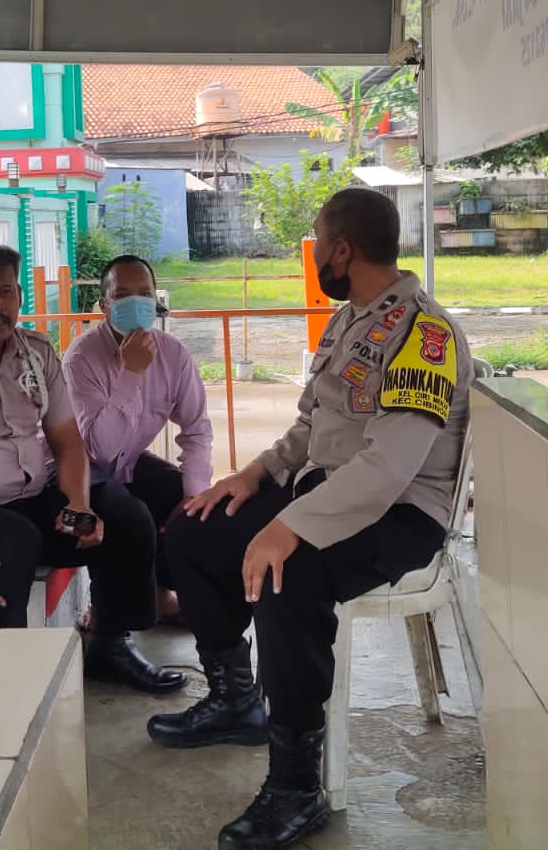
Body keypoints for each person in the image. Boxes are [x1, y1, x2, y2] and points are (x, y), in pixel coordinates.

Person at [147, 188, 472, 850]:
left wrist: (288, 527)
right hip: (325, 489)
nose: (316, 250)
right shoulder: (350, 319)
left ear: (342, 250)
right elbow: (311, 426)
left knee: (286, 576)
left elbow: (387, 469)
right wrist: (253, 475)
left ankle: (296, 787)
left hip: (403, 512)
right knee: (194, 529)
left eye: (319, 239)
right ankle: (235, 698)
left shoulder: (424, 336)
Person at [0, 242, 184, 694]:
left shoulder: (37, 353)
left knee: (124, 516)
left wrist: (79, 503)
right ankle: (0, 687)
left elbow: (68, 443)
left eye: (6, 293)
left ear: (19, 296)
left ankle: (110, 644)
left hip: (27, 497)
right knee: (13, 541)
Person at [63, 254, 211, 620]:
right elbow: (100, 450)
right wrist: (131, 373)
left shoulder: (173, 353)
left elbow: (196, 428)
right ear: (104, 305)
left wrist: (192, 494)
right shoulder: (82, 357)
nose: (135, 302)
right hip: (75, 465)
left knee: (200, 507)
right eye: (121, 294)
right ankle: (110, 624)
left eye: (144, 293)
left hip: (127, 460)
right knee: (126, 514)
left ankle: (162, 593)